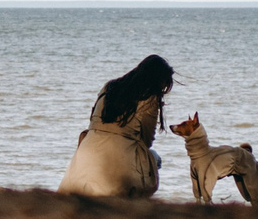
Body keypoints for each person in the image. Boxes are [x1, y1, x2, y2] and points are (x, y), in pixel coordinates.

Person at [56, 53, 174, 198]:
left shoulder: (109, 87)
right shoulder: (149, 97)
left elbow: (93, 119)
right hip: (119, 161)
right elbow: (146, 141)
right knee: (155, 159)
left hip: (86, 152)